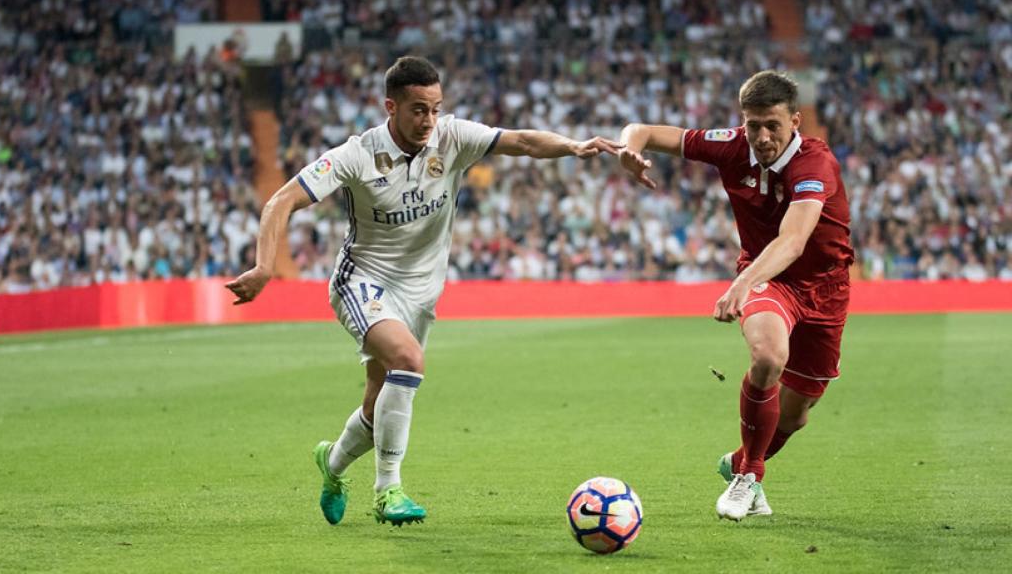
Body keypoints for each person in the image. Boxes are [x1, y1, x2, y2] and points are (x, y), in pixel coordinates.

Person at [225, 56, 620, 526]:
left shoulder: (451, 136)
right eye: (417, 109)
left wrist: (573, 146)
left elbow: (523, 141)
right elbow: (281, 199)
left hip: (422, 293)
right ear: (390, 106)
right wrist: (265, 266)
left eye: (435, 108)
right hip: (363, 280)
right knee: (409, 362)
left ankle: (331, 465)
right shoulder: (357, 154)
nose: (428, 120)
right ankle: (387, 489)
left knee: (377, 404)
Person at [617, 70, 853, 521]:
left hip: (825, 288)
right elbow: (643, 130)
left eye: (773, 126)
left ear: (795, 122)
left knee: (796, 415)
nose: (762, 137)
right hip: (770, 280)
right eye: (753, 125)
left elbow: (795, 239)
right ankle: (750, 478)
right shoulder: (730, 145)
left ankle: (739, 462)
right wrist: (631, 149)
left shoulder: (815, 164)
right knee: (767, 357)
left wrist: (741, 284)